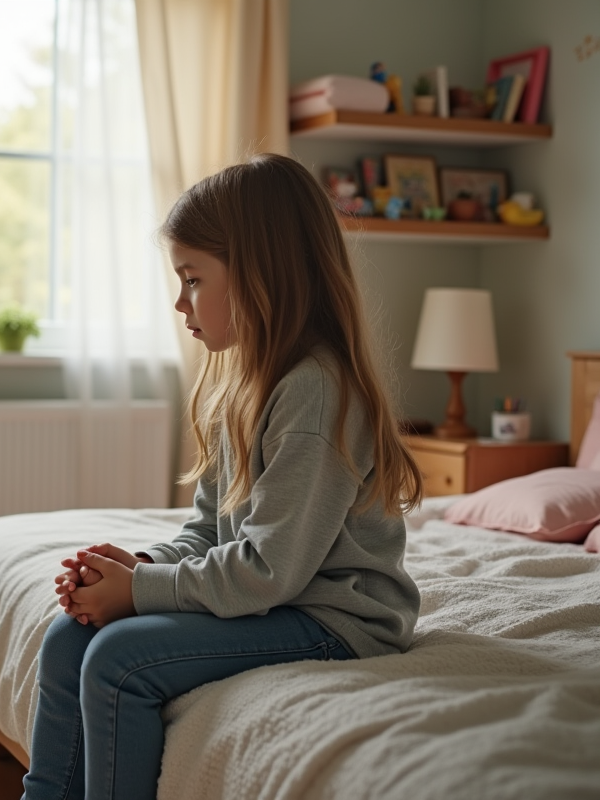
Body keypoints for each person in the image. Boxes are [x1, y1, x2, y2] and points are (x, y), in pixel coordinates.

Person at [21, 153, 424, 800]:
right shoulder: (240, 384)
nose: (180, 302)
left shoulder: (315, 391)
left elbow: (269, 571)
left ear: (263, 275)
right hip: (280, 598)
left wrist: (143, 590)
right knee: (72, 634)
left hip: (334, 620)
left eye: (192, 279)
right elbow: (210, 529)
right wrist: (135, 569)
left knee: (120, 665)